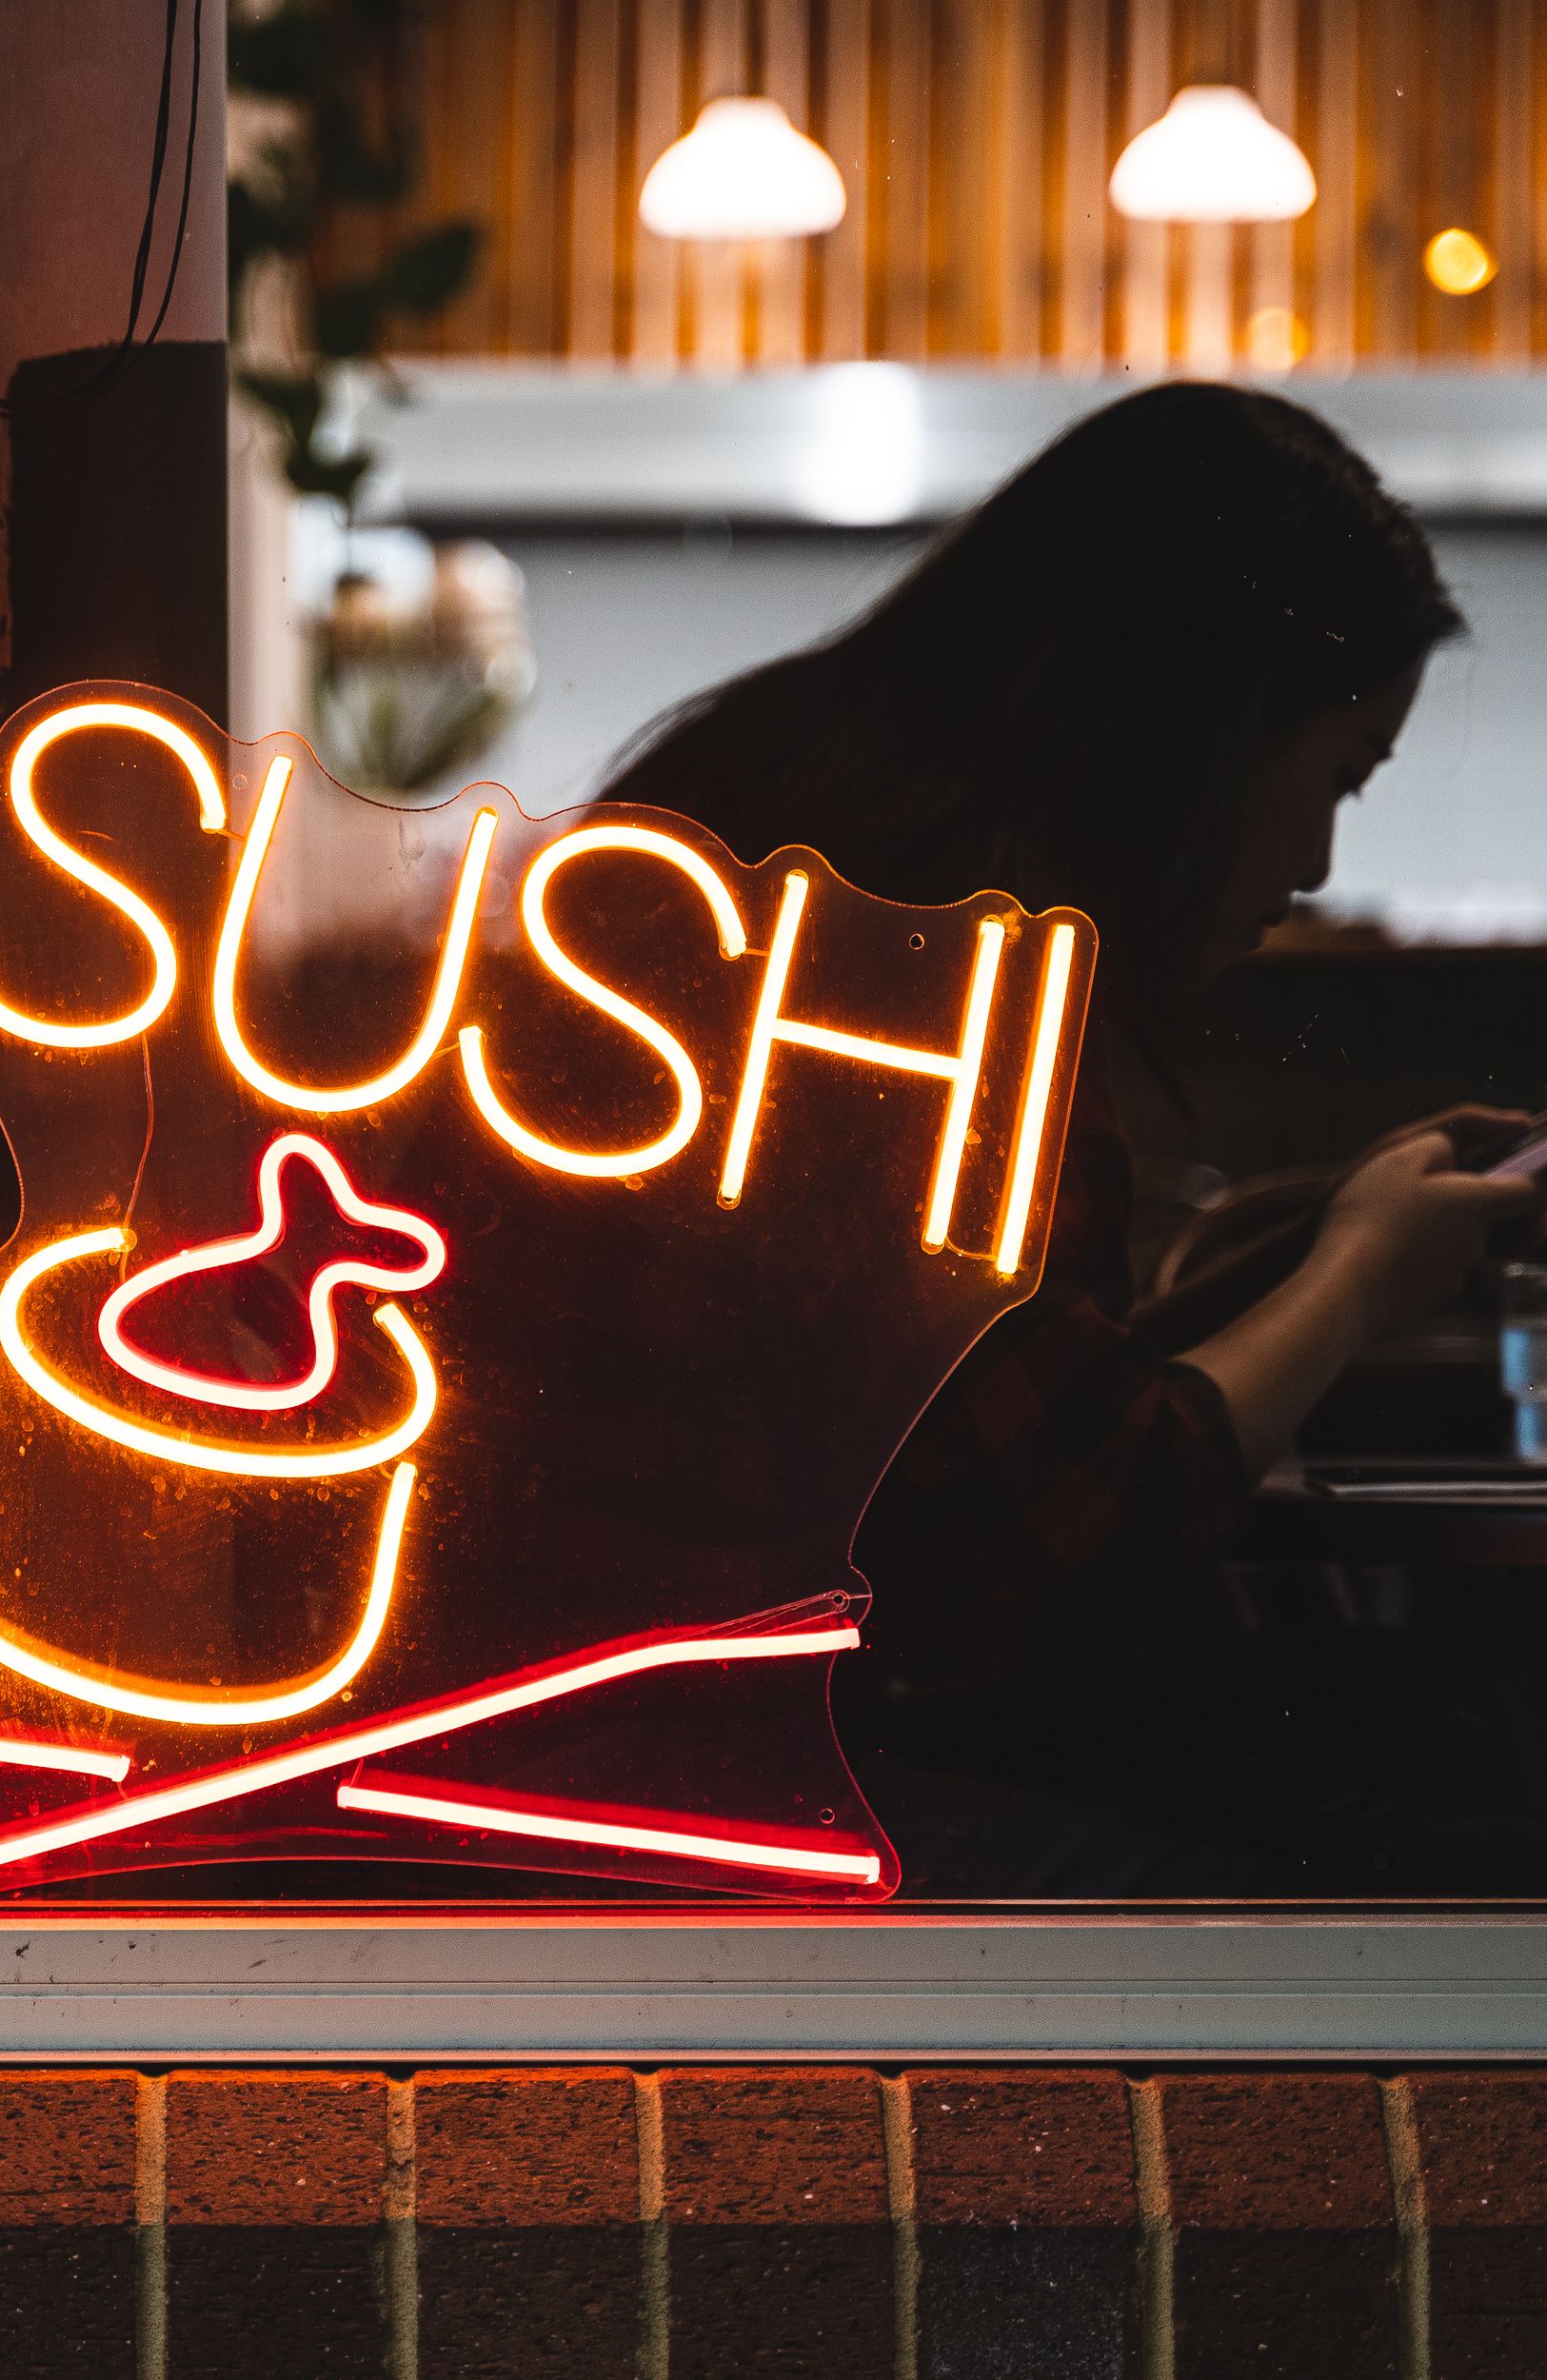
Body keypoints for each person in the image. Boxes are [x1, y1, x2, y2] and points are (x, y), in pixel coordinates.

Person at [601, 383, 1544, 1893]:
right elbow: (1085, 1539)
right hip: (743, 1782)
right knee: (1468, 1791)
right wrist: (1359, 1275)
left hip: (637, 1723)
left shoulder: (780, 809)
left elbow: (958, 1444)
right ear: (1205, 729)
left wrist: (1314, 1255)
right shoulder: (956, 977)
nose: (1312, 866)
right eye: (1332, 780)